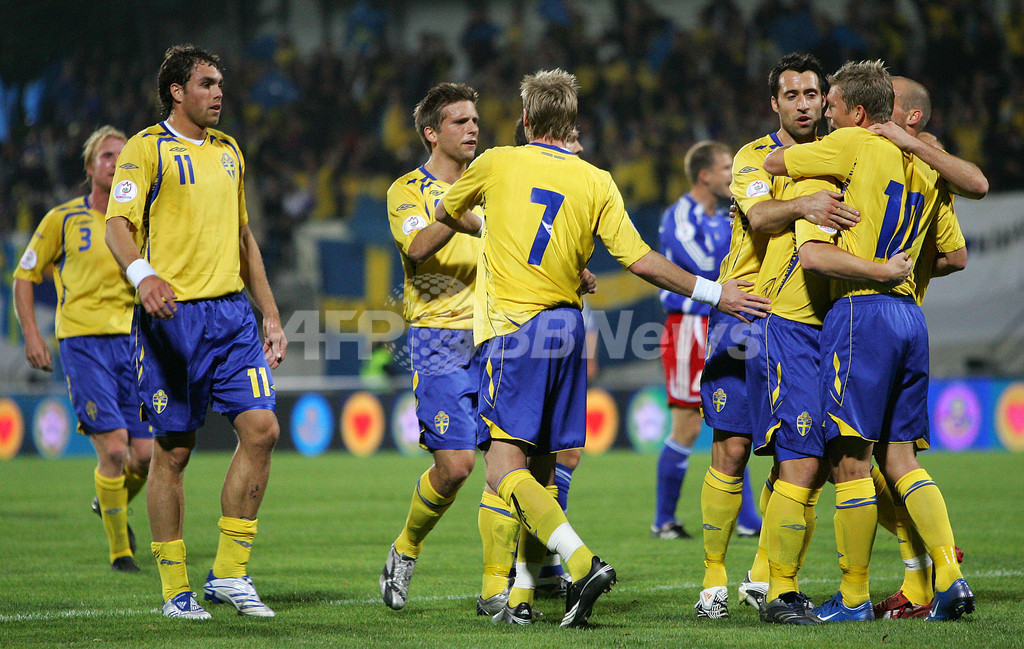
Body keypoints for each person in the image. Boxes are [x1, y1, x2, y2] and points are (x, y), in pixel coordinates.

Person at [434, 68, 771, 627]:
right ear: (571, 123)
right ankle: (519, 600)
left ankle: (582, 561)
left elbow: (447, 213)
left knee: (500, 468)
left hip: (515, 330)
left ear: (524, 119)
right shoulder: (596, 179)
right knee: (542, 473)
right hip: (570, 330)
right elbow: (640, 260)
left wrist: (462, 235)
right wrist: (716, 292)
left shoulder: (495, 162)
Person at [765, 59, 975, 623]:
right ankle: (949, 578)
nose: (823, 114)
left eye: (829, 105)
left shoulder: (852, 146)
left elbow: (775, 159)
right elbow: (965, 218)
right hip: (911, 318)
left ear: (858, 113)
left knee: (850, 460)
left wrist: (872, 262)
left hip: (859, 312)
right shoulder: (929, 164)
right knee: (901, 458)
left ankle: (853, 598)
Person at [104, 44, 286, 620]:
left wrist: (271, 313)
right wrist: (144, 276)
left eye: (221, 84)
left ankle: (230, 574)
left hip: (231, 317)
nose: (218, 93)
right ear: (177, 92)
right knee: (174, 452)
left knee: (262, 430)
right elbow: (117, 226)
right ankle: (174, 589)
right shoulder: (145, 148)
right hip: (172, 319)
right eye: (207, 83)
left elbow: (243, 237)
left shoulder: (230, 150)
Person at [697, 53, 861, 621]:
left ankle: (765, 576)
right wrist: (808, 203)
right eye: (791, 95)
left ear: (825, 98)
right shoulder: (754, 157)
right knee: (734, 447)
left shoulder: (840, 158)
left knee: (800, 456)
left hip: (807, 325)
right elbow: (763, 217)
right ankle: (714, 579)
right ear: (775, 103)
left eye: (812, 94)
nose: (803, 104)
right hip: (742, 315)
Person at [378, 82, 521, 617]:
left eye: (475, 120)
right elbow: (417, 246)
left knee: (508, 464)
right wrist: (460, 211)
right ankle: (406, 548)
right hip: (439, 340)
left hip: (498, 334)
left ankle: (497, 589)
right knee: (457, 465)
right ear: (431, 133)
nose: (473, 129)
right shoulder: (406, 190)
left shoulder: (494, 185)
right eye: (459, 122)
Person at [13, 125, 152, 573]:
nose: (114, 163)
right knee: (113, 452)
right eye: (107, 156)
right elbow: (24, 277)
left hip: (133, 344)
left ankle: (107, 500)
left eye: (121, 156)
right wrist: (33, 334)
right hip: (83, 343)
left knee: (145, 458)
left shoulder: (138, 223)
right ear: (91, 167)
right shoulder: (63, 219)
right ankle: (120, 554)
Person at [652, 141, 761, 542]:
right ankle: (663, 520)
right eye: (726, 167)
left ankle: (748, 520)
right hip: (689, 325)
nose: (733, 175)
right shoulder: (681, 215)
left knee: (734, 416)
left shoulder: (723, 217)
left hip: (723, 324)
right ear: (705, 175)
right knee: (686, 423)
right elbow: (701, 268)